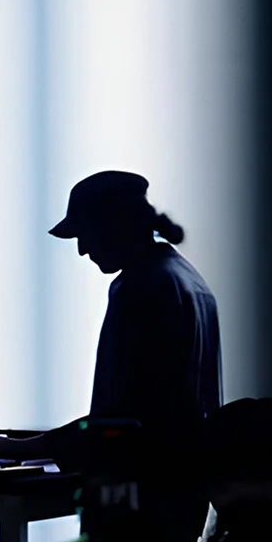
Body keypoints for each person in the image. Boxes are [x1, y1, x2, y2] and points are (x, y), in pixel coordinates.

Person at [50, 170, 221, 435]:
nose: (82, 249)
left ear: (112, 226)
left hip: (146, 473)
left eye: (84, 234)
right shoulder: (191, 283)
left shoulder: (139, 287)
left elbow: (117, 427)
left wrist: (26, 445)